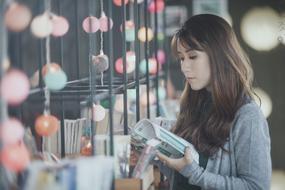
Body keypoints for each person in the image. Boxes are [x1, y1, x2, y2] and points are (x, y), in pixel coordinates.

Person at [154, 14, 272, 190]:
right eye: (181, 58)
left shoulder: (247, 115)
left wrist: (196, 174)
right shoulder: (193, 105)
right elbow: (182, 175)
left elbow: (256, 187)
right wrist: (155, 156)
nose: (184, 67)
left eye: (192, 57)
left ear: (219, 55)